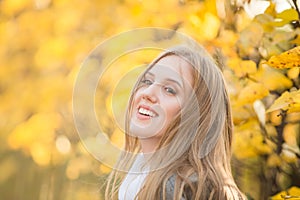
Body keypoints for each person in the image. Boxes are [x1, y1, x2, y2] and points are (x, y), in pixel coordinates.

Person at [105, 44, 245, 200]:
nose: (148, 93)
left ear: (198, 117)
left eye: (169, 90)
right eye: (147, 81)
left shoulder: (181, 189)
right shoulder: (141, 175)